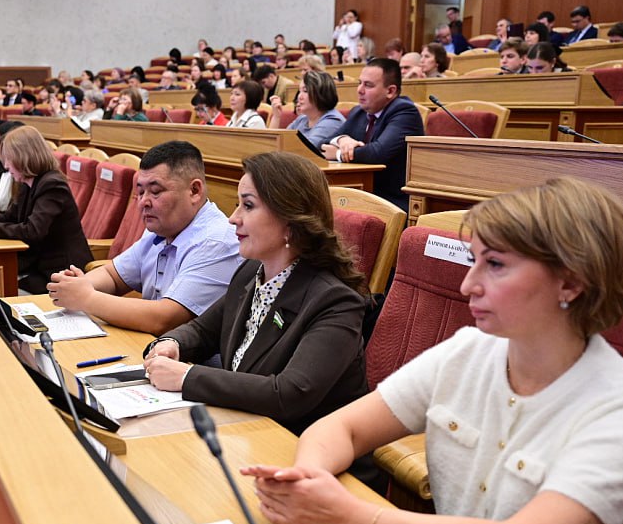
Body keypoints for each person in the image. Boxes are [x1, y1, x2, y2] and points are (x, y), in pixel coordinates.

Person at [243, 177, 623, 524]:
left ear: (570, 283)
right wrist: (309, 481)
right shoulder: (466, 351)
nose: (468, 285)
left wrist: (349, 516)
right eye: (473, 262)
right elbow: (339, 429)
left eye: (496, 265)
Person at [143, 150, 371, 438]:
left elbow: (288, 394)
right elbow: (203, 330)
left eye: (247, 206)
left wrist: (187, 377)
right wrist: (172, 343)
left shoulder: (336, 302)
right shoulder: (251, 272)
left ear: (291, 220)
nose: (232, 218)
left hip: (307, 456)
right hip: (247, 433)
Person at [47, 141, 240, 336]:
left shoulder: (217, 242)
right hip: (151, 350)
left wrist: (86, 297)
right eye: (140, 192)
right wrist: (79, 286)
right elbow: (114, 276)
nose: (143, 202)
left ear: (194, 191)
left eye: (155, 192)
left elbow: (164, 320)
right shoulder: (160, 230)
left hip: (189, 363)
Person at [0, 126, 92, 294]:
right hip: (36, 264)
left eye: (9, 159)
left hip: (60, 271)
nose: (6, 166)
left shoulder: (52, 184)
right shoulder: (29, 182)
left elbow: (33, 230)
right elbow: (11, 216)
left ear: (23, 157)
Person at [321, 58, 425, 211]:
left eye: (368, 85)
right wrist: (343, 140)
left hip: (393, 200)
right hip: (362, 192)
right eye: (359, 83)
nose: (360, 90)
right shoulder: (359, 112)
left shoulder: (404, 112)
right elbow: (321, 144)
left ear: (390, 91)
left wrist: (338, 153)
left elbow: (378, 153)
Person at [270, 71, 345, 147]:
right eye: (299, 91)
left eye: (305, 91)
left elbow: (304, 150)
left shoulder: (332, 121)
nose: (299, 97)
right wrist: (276, 117)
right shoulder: (302, 118)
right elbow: (276, 143)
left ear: (321, 94)